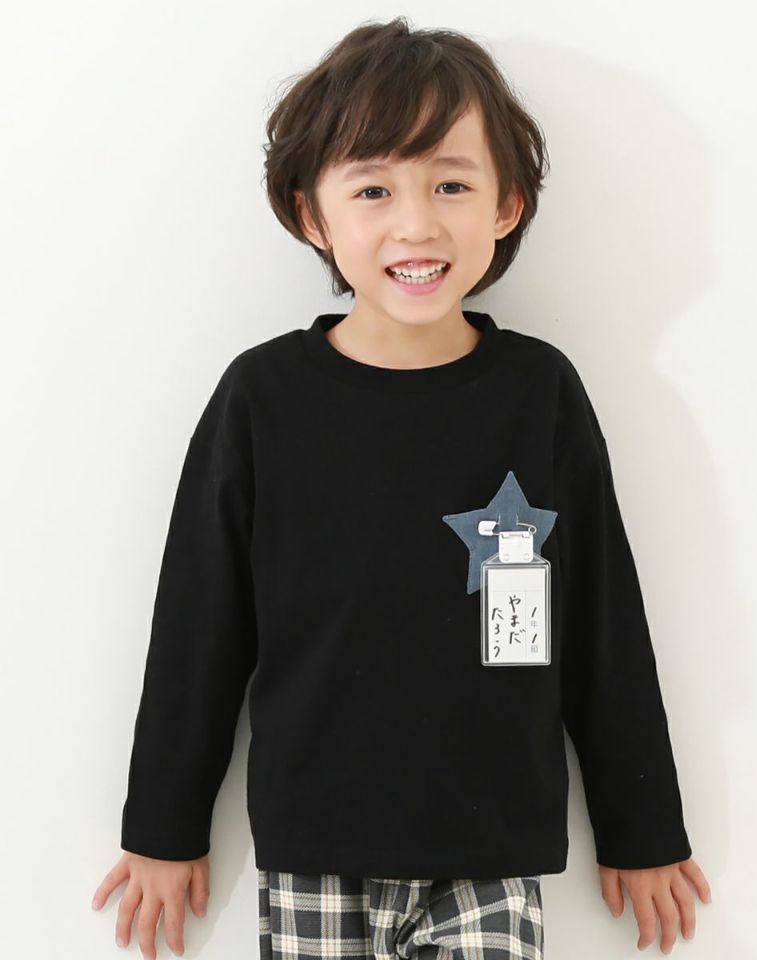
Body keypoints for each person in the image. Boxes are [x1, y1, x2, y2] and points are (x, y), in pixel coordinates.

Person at [91, 15, 712, 960]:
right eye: (373, 188)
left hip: (494, 847)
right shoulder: (262, 398)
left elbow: (603, 622)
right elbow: (197, 626)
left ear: (506, 205)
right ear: (312, 214)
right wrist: (162, 828)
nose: (416, 224)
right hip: (316, 844)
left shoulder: (540, 393)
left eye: (451, 185)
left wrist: (644, 826)